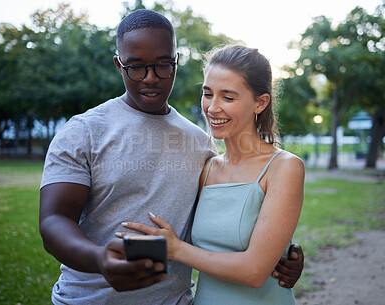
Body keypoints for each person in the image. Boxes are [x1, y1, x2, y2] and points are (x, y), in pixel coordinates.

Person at [39, 9, 304, 305]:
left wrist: (280, 255)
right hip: (87, 300)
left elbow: (232, 224)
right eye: (136, 67)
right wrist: (100, 258)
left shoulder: (199, 143)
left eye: (163, 66)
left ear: (176, 62)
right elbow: (54, 219)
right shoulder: (84, 131)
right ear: (119, 65)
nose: (150, 78)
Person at [116, 44, 305, 304]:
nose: (212, 108)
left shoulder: (284, 167)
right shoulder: (207, 169)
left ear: (260, 103)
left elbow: (254, 272)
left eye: (228, 97)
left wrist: (177, 249)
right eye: (208, 94)